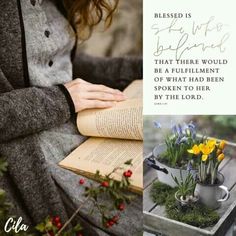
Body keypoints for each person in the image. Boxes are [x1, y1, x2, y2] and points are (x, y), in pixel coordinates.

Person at [0, 0, 142, 235]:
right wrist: (62, 99)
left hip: (86, 128)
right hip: (39, 158)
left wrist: (139, 69)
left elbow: (60, 62)